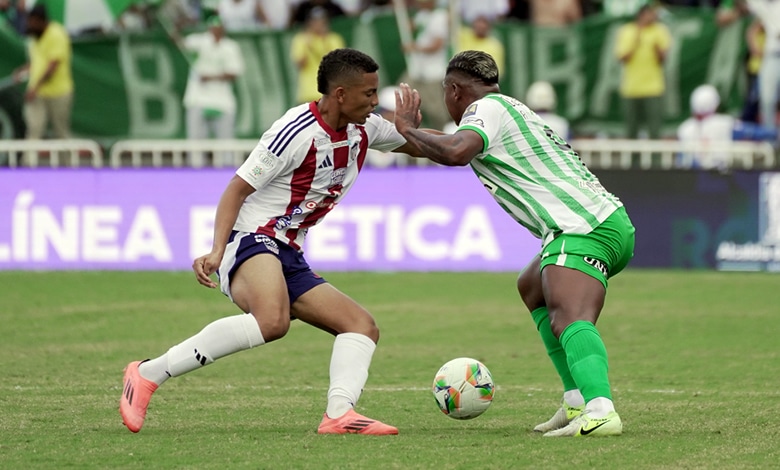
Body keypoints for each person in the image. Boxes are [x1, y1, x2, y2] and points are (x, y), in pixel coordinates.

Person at [119, 48, 425, 436]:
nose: (375, 101)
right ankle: (148, 373)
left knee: (361, 326)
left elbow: (431, 149)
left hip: (287, 250)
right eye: (369, 93)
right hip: (250, 237)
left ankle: (339, 414)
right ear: (341, 94)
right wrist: (217, 250)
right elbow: (236, 189)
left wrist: (420, 132)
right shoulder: (294, 132)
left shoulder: (365, 128)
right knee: (272, 321)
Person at [393, 50, 635, 437]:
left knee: (569, 315)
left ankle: (600, 410)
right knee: (532, 285)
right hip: (599, 222)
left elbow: (455, 152)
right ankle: (576, 401)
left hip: (583, 226)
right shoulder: (504, 108)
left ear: (454, 91)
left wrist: (406, 127)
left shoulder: (485, 109)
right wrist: (381, 134)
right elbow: (442, 143)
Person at [178, 15, 244, 167]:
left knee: (226, 143)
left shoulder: (230, 47)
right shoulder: (199, 42)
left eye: (219, 28)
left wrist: (210, 77)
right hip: (198, 99)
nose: (216, 30)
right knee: (195, 143)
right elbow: (179, 42)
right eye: (214, 28)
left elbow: (234, 73)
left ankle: (226, 171)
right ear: (209, 28)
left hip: (222, 101)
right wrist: (175, 26)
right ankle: (195, 172)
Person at [12, 4, 73, 142]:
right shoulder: (34, 36)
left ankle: (66, 157)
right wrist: (22, 71)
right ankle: (30, 157)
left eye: (33, 22)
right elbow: (37, 62)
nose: (29, 24)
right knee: (33, 131)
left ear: (41, 21)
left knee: (61, 133)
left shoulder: (57, 34)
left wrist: (35, 88)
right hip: (38, 93)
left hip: (58, 93)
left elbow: (52, 66)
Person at [614, 4, 672, 139]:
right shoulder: (627, 31)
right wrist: (636, 40)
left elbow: (663, 58)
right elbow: (622, 58)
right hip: (631, 88)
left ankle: (655, 154)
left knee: (654, 130)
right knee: (631, 131)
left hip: (653, 88)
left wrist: (657, 49)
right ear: (642, 15)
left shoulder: (660, 31)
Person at [401, 0, 451, 131]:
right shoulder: (422, 15)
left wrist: (414, 48)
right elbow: (410, 26)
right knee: (404, 95)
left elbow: (437, 45)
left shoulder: (440, 17)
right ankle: (414, 132)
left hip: (433, 72)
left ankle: (443, 132)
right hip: (416, 69)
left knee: (435, 109)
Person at [290, 7, 345, 104]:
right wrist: (307, 47)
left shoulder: (334, 39)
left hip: (329, 91)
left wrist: (324, 42)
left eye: (321, 21)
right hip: (308, 93)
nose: (318, 24)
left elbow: (337, 64)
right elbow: (300, 64)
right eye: (315, 21)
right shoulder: (301, 39)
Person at [676, 84, 736, 169]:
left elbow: (680, 162)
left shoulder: (684, 128)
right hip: (720, 173)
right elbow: (755, 133)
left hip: (694, 175)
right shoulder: (726, 123)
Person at [745, 0, 780, 129]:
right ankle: (768, 135)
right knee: (767, 99)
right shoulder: (763, 5)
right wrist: (754, 46)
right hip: (772, 56)